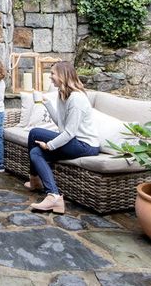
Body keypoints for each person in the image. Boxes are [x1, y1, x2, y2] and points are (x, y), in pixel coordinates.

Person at [26, 61, 100, 214]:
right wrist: (47, 103)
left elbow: (70, 132)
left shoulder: (77, 99)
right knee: (35, 153)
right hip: (73, 141)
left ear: (63, 75)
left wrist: (50, 145)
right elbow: (61, 125)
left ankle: (34, 179)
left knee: (34, 133)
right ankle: (54, 197)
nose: (50, 77)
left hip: (86, 145)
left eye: (52, 74)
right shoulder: (62, 94)